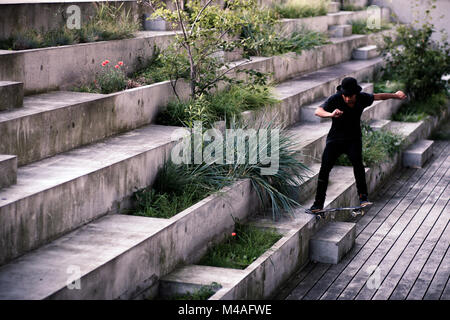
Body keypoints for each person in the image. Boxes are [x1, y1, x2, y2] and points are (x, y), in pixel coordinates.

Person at [309, 77, 407, 213]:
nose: (348, 99)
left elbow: (378, 96)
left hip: (353, 139)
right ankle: (318, 204)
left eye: (351, 96)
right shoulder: (336, 99)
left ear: (356, 93)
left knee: (358, 166)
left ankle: (363, 198)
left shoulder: (362, 98)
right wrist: (331, 114)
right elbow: (318, 111)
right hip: (335, 140)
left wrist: (395, 95)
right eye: (345, 96)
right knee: (324, 170)